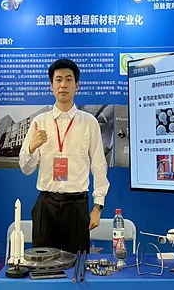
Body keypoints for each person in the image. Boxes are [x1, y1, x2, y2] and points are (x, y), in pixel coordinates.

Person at [19, 58, 109, 254]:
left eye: (69, 79)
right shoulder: (40, 121)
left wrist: (98, 206)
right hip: (46, 205)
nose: (63, 85)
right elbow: (26, 168)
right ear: (51, 86)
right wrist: (32, 147)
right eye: (58, 80)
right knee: (43, 263)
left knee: (77, 263)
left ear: (77, 85)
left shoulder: (89, 122)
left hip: (77, 206)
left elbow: (99, 165)